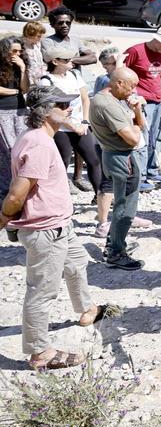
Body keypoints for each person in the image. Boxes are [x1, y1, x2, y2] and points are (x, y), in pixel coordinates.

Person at [0, 85, 107, 370]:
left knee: (77, 263)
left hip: (60, 223)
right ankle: (40, 353)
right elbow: (17, 193)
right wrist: (2, 220)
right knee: (41, 291)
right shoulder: (37, 143)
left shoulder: (41, 137)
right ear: (45, 111)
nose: (69, 107)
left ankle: (86, 309)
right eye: (62, 104)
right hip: (45, 229)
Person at [89, 66, 147, 270]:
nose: (133, 91)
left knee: (123, 203)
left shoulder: (111, 99)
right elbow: (133, 138)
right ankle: (116, 253)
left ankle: (115, 243)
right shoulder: (107, 105)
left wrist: (137, 111)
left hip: (116, 156)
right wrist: (137, 128)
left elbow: (140, 125)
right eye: (131, 86)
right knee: (126, 207)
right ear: (118, 83)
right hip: (122, 159)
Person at [39, 45, 102, 197]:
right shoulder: (46, 81)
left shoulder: (74, 75)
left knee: (94, 160)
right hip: (60, 129)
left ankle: (100, 197)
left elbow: (85, 99)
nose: (71, 62)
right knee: (61, 165)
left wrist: (85, 122)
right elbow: (52, 109)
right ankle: (58, 200)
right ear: (55, 61)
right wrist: (71, 125)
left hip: (80, 125)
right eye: (66, 59)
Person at [123, 27, 161, 188]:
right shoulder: (136, 51)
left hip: (157, 101)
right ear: (157, 40)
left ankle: (152, 169)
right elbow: (122, 74)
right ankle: (141, 175)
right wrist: (131, 96)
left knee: (156, 137)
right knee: (144, 138)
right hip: (142, 101)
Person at [0, 35, 29, 197]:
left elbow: (25, 88)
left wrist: (23, 69)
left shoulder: (20, 65)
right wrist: (15, 91)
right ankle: (7, 188)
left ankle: (20, 185)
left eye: (19, 51)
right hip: (2, 111)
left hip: (19, 111)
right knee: (9, 150)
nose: (17, 54)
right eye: (13, 51)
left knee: (21, 148)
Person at [21, 21, 46, 85]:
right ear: (30, 34)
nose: (40, 39)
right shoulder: (21, 46)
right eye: (38, 36)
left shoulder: (37, 44)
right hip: (27, 79)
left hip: (39, 77)